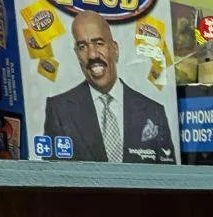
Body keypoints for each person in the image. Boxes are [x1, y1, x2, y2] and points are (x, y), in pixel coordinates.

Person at [42, 10, 174, 162]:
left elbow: (167, 179)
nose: (92, 55)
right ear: (77, 54)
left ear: (115, 49)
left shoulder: (154, 112)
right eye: (82, 47)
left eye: (99, 43)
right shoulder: (59, 109)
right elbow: (52, 176)